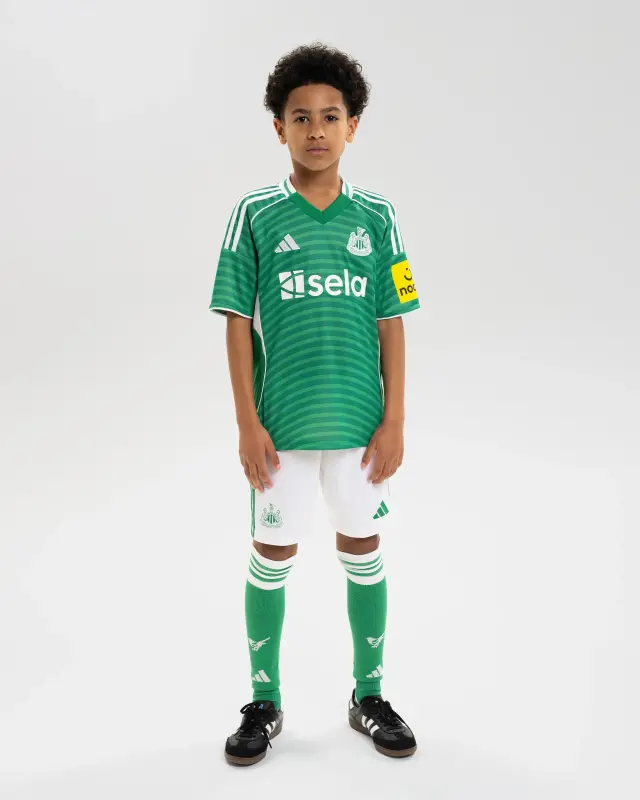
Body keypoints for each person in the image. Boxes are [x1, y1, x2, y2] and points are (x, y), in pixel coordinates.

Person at [208, 42, 420, 766]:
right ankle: (264, 701)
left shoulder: (378, 216)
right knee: (273, 552)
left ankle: (370, 695)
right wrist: (247, 422)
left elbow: (393, 319)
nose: (317, 130)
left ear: (352, 126)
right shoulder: (256, 213)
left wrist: (394, 419)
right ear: (280, 128)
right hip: (282, 429)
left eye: (331, 116)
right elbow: (237, 321)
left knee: (363, 548)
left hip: (361, 428)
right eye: (301, 117)